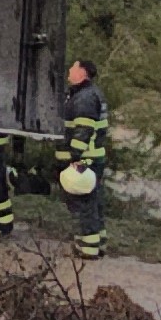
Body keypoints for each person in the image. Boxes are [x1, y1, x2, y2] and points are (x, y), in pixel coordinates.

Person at [60, 58, 112, 261]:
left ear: (82, 73)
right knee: (93, 201)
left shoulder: (85, 98)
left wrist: (75, 156)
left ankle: (88, 247)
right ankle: (99, 242)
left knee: (83, 202)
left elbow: (83, 129)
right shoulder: (89, 94)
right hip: (92, 158)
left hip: (84, 159)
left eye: (73, 67)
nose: (69, 70)